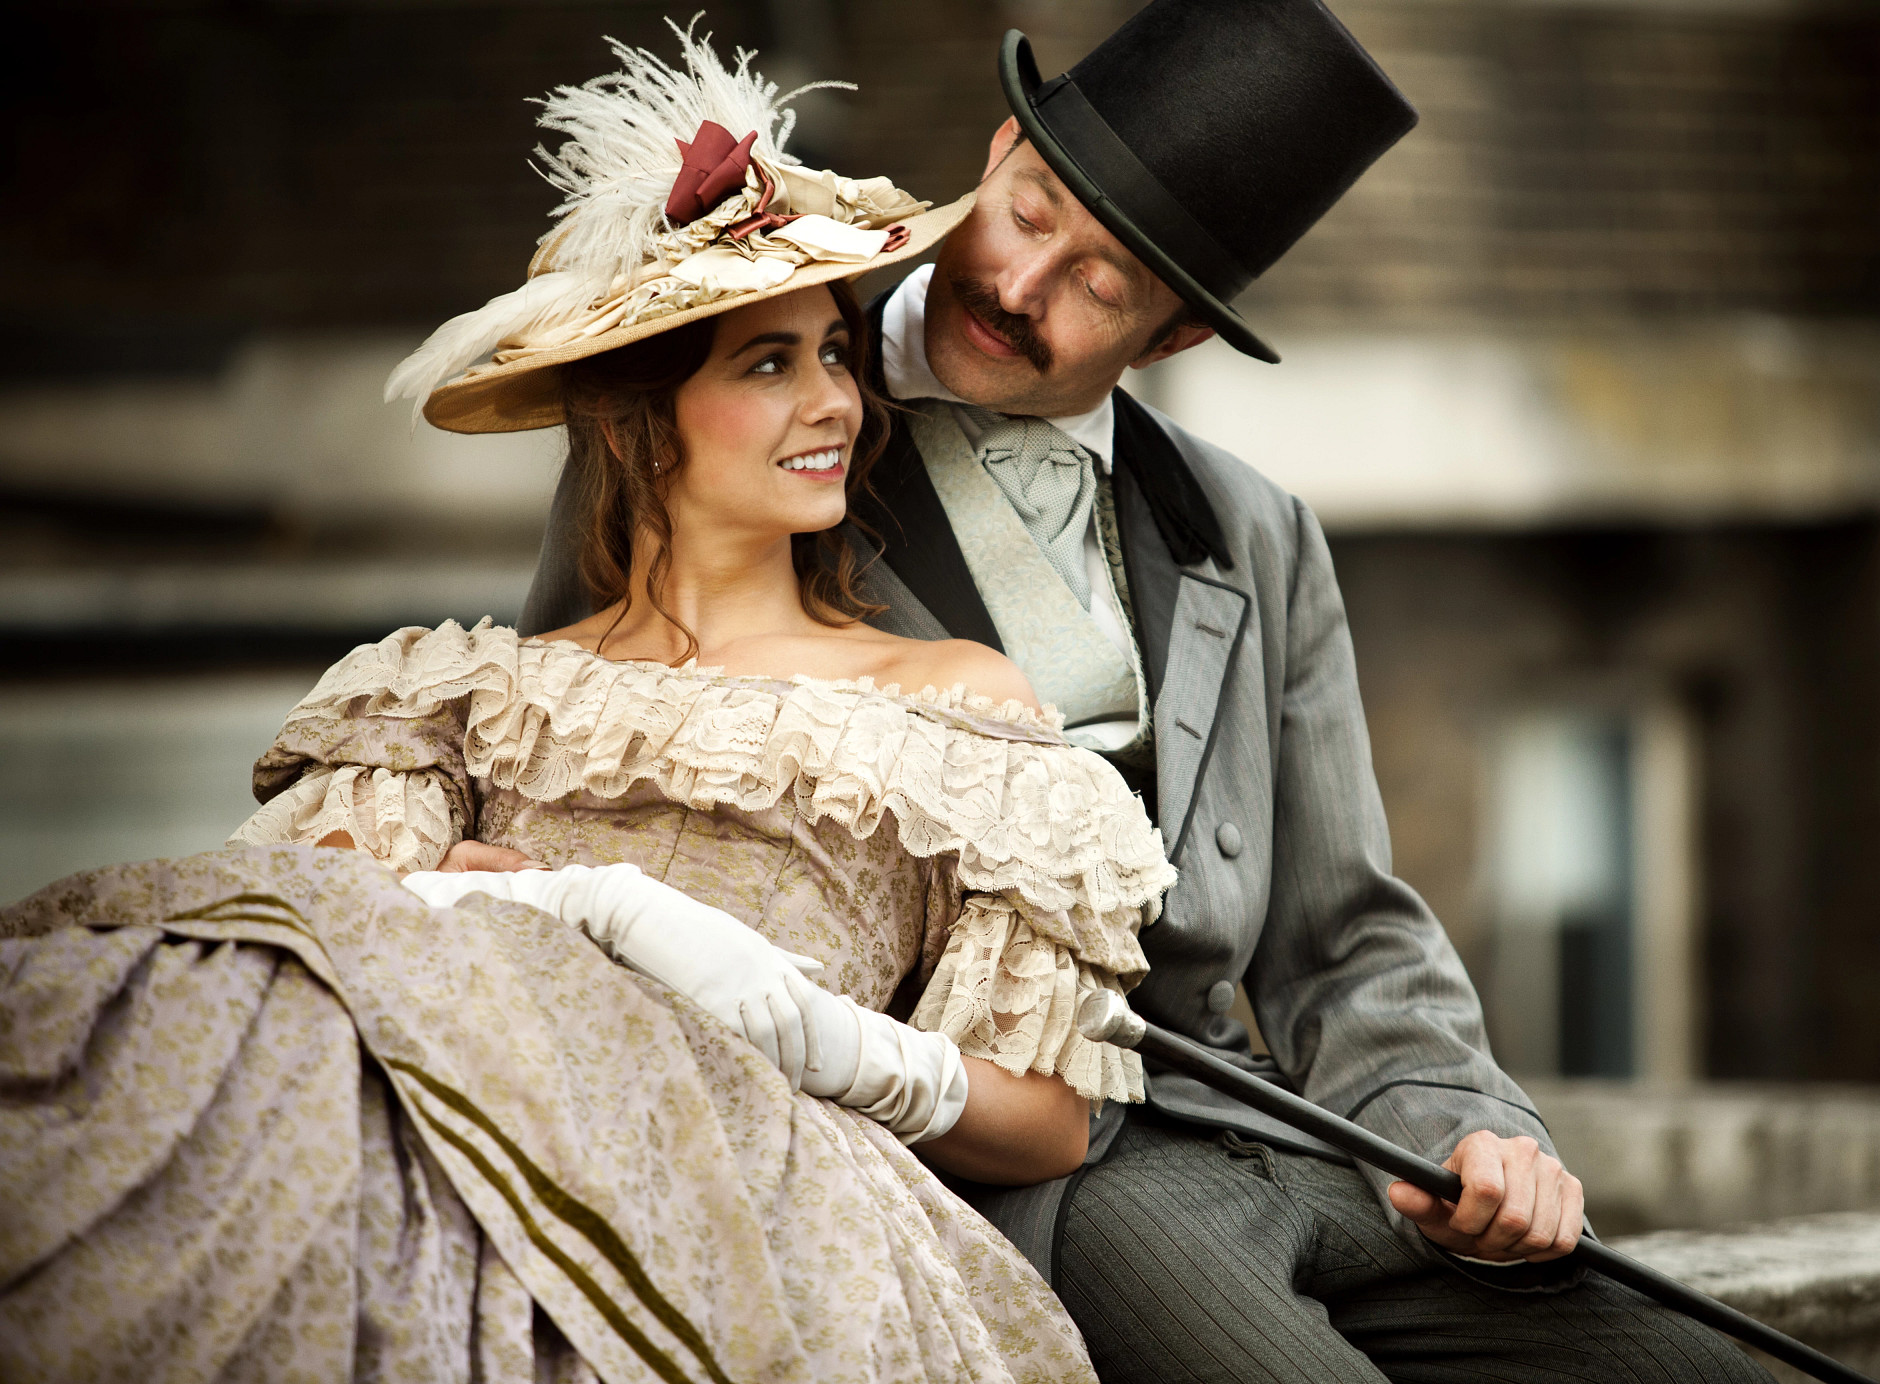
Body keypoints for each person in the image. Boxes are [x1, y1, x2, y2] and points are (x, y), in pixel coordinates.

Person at [512, 2, 1776, 1380]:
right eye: (1030, 209)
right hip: (1036, 1182)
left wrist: (1466, 1126)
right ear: (997, 150)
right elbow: (575, 738)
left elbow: (1342, 930)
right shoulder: (746, 425)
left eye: (1105, 282)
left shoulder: (1254, 526)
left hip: (1300, 1141)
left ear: (1172, 339)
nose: (1025, 282)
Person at [0, 30, 1170, 1382]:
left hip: (753, 1182)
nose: (835, 401)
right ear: (637, 423)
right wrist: (489, 904)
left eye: (835, 355)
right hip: (449, 1133)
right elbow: (287, 936)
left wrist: (812, 1032)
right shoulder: (467, 695)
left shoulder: (956, 706)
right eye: (768, 364)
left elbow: (1051, 1121)